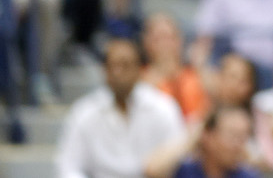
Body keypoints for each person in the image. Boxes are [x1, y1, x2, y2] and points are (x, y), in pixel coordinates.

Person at [56, 36, 186, 177]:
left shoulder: (163, 108)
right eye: (112, 66)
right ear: (104, 71)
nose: (118, 73)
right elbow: (68, 167)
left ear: (139, 69)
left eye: (125, 65)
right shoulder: (84, 112)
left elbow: (178, 158)